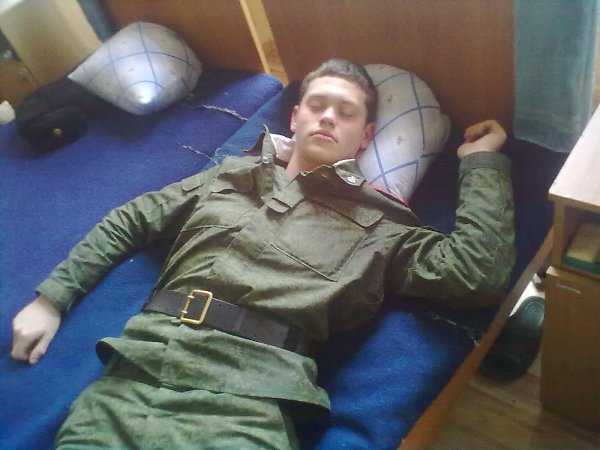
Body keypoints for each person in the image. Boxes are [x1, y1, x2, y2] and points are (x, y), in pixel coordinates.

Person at [11, 59, 514, 448]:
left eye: (346, 112)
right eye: (317, 104)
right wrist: (52, 298)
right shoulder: (228, 175)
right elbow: (133, 218)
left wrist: (481, 163)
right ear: (295, 116)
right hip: (133, 374)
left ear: (366, 137)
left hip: (247, 404)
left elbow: (476, 273)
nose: (328, 116)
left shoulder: (382, 223)